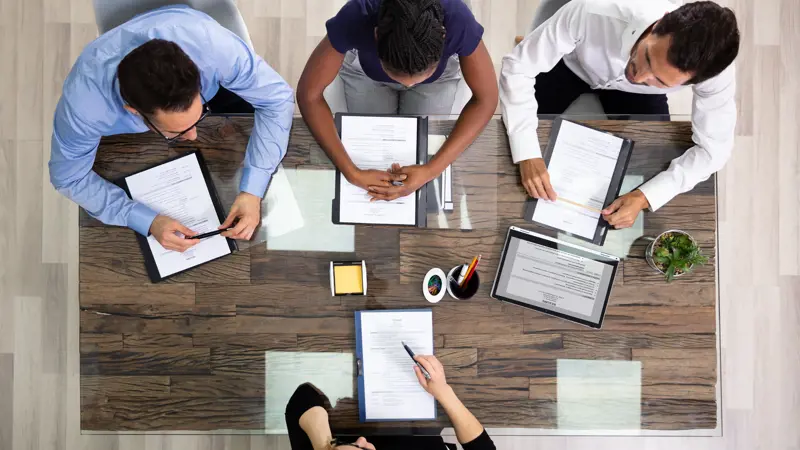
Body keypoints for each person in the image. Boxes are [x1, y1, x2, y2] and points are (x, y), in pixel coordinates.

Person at [49, 5, 294, 252]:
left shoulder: (213, 47)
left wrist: (253, 190)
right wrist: (144, 219)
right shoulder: (84, 106)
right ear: (133, 111)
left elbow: (277, 99)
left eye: (197, 118)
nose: (194, 135)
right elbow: (69, 177)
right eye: (177, 132)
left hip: (213, 75)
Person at [500, 0, 740, 229]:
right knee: (507, 149)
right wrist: (527, 154)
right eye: (647, 57)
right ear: (658, 24)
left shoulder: (716, 75)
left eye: (660, 79)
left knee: (648, 169)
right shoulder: (595, 10)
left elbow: (713, 151)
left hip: (640, 97)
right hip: (571, 65)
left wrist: (645, 196)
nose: (639, 76)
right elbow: (518, 68)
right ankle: (539, 39)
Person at [297, 0, 498, 202]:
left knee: (422, 147)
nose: (408, 87)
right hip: (366, 75)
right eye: (398, 77)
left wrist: (431, 170)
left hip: (438, 80)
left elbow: (486, 99)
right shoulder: (357, 15)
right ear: (375, 35)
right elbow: (309, 95)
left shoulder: (458, 19)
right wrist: (351, 172)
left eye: (416, 79)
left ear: (443, 36)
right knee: (373, 145)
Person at [285, 355, 496, 450]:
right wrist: (445, 392)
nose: (361, 440)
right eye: (364, 449)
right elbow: (483, 447)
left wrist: (324, 447)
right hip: (423, 432)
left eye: (352, 445)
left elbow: (301, 398)